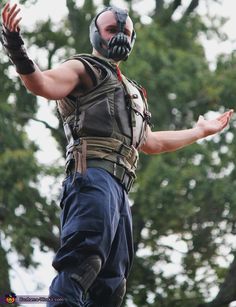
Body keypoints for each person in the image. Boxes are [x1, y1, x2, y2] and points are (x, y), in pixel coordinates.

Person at [1, 2, 234, 307]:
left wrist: (200, 131)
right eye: (111, 30)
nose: (118, 36)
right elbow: (41, 84)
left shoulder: (132, 91)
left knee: (112, 285)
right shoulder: (83, 68)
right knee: (83, 262)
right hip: (92, 177)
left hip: (120, 189)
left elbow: (151, 142)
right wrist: (15, 44)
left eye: (125, 31)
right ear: (96, 34)